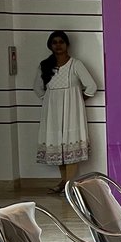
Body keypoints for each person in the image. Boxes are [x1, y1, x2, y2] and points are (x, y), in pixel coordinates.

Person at [34, 31, 97, 193]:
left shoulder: (76, 64)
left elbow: (91, 86)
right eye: (54, 42)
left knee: (71, 146)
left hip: (72, 112)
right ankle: (64, 182)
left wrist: (77, 100)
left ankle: (69, 185)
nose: (58, 45)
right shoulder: (45, 65)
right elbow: (38, 88)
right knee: (58, 146)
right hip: (52, 113)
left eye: (61, 42)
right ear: (50, 45)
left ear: (67, 44)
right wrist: (50, 101)